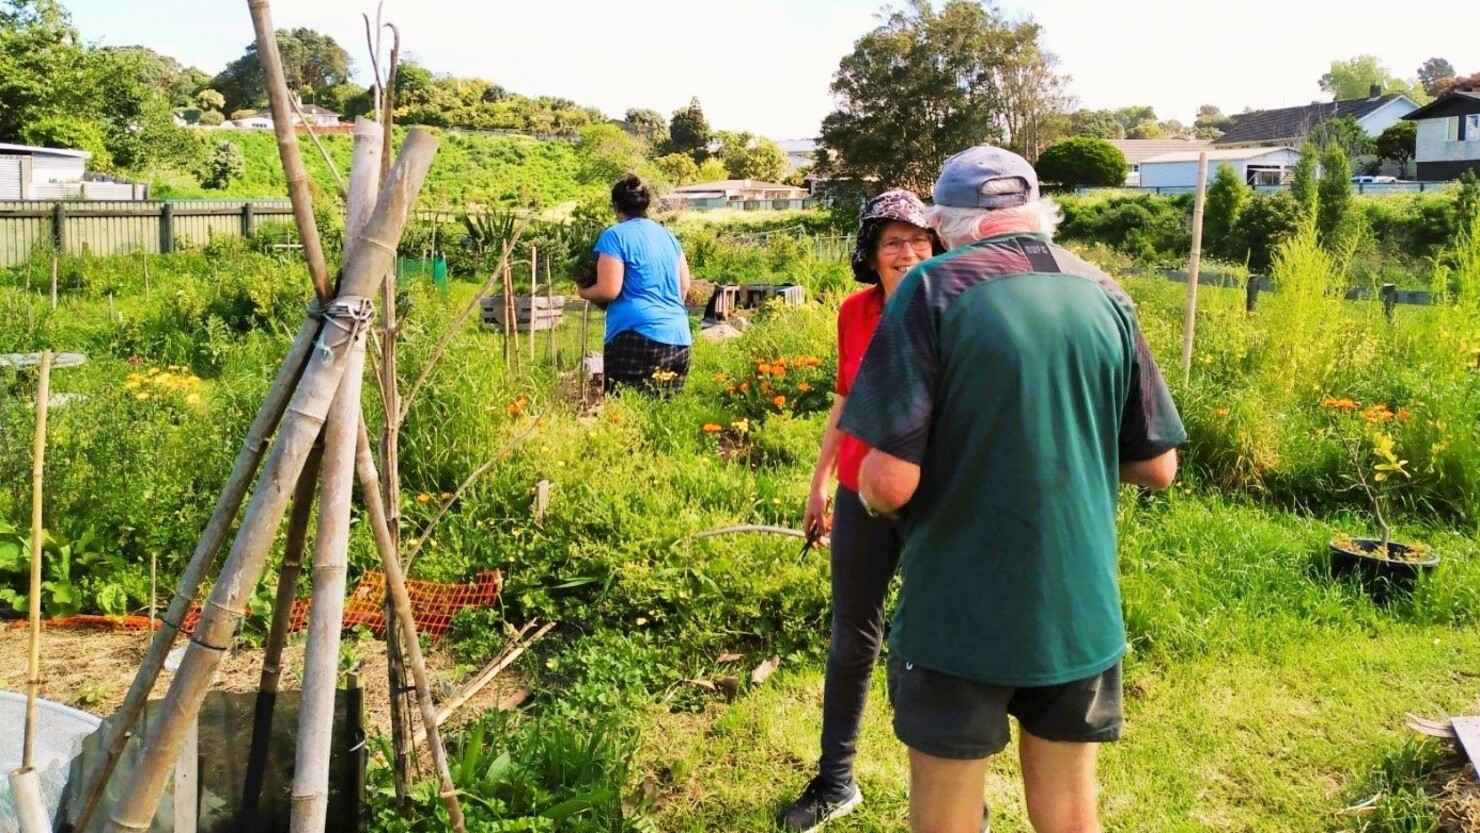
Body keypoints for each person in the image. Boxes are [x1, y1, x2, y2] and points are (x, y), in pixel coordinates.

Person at [839, 145, 1187, 833]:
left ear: (944, 222)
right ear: (1039, 211)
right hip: (1077, 609)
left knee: (949, 816)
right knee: (1069, 815)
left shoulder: (931, 289)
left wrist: (876, 497)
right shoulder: (1106, 292)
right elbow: (1157, 466)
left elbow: (888, 479)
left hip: (960, 613)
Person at [781, 191, 944, 832]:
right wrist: (819, 481)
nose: (908, 253)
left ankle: (952, 796)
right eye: (893, 243)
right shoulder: (855, 311)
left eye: (919, 240)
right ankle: (836, 779)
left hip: (931, 496)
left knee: (927, 642)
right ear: (870, 256)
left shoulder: (956, 305)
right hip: (857, 490)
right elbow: (846, 400)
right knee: (852, 636)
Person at [578, 174, 693, 394]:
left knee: (625, 413)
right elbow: (684, 285)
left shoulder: (614, 236)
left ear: (616, 206)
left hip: (635, 338)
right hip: (678, 337)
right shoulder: (668, 236)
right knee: (663, 414)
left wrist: (584, 291)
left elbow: (609, 290)